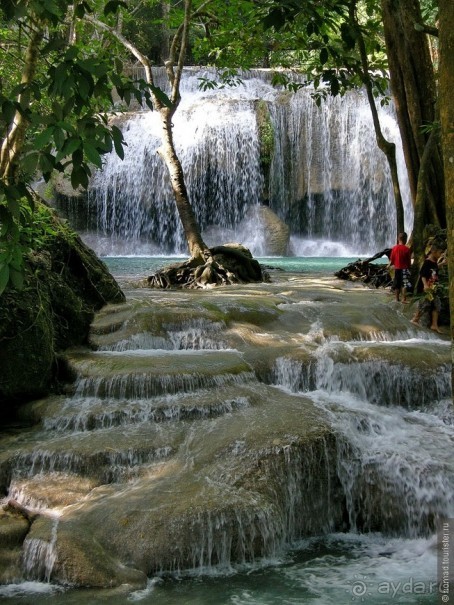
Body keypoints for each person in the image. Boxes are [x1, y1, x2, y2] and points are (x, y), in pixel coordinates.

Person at [411, 243, 446, 333]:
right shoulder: (427, 262)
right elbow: (422, 274)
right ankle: (415, 319)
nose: (441, 254)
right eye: (440, 252)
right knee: (424, 304)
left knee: (436, 305)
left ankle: (434, 325)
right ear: (433, 252)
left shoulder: (434, 262)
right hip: (426, 288)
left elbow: (434, 269)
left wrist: (442, 264)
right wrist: (425, 285)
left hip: (433, 288)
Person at [389, 232, 412, 303]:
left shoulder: (394, 248)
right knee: (404, 284)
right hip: (404, 269)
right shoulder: (407, 249)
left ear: (398, 239)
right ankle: (404, 299)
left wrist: (392, 265)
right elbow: (408, 261)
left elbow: (392, 259)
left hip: (397, 269)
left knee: (397, 284)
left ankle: (396, 299)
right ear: (405, 239)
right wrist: (409, 267)